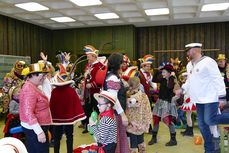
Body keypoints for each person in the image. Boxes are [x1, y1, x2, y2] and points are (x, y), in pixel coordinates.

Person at [181, 43, 228, 153]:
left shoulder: (208, 62)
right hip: (198, 100)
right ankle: (210, 149)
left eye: (188, 51)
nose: (187, 54)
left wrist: (222, 97)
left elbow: (217, 79)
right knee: (202, 126)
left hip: (210, 98)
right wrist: (182, 89)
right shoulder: (189, 65)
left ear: (194, 50)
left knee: (209, 120)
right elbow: (189, 81)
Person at [50, 64, 86, 153]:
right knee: (70, 136)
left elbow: (52, 105)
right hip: (69, 118)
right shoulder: (71, 91)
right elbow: (76, 104)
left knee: (57, 137)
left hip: (56, 119)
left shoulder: (54, 91)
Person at [19, 62, 52, 153]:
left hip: (37, 128)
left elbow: (47, 95)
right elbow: (28, 112)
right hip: (35, 129)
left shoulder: (34, 86)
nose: (43, 79)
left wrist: (43, 77)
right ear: (32, 75)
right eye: (41, 77)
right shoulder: (29, 89)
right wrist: (39, 132)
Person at [104, 52, 129, 153]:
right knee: (115, 142)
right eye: (121, 62)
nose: (123, 64)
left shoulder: (113, 76)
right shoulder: (112, 77)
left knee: (118, 140)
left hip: (115, 113)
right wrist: (122, 115)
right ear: (117, 63)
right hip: (115, 114)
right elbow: (114, 98)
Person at [148, 63, 178, 146]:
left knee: (168, 121)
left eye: (164, 72)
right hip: (160, 102)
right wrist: (157, 71)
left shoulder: (172, 80)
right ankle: (154, 138)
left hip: (167, 103)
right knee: (156, 119)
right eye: (162, 72)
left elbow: (170, 87)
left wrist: (171, 76)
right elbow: (154, 80)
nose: (162, 74)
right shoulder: (163, 79)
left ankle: (173, 139)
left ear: (169, 73)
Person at [126, 77, 152, 153]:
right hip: (141, 123)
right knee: (140, 140)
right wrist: (147, 121)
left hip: (131, 123)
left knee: (133, 143)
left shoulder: (127, 96)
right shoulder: (143, 96)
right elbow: (148, 109)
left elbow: (125, 110)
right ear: (139, 85)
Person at [82, 45, 103, 133]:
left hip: (96, 93)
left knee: (98, 110)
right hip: (87, 93)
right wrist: (83, 82)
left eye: (88, 56)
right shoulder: (88, 66)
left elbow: (101, 80)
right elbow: (85, 77)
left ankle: (100, 127)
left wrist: (92, 85)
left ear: (94, 56)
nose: (87, 58)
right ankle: (88, 127)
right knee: (87, 110)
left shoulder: (100, 66)